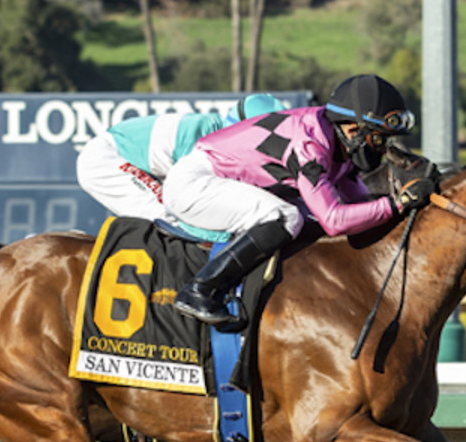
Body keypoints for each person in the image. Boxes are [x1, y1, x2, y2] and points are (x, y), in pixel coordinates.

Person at [162, 74, 437, 327]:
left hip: (222, 182)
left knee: (303, 217)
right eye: (379, 139)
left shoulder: (340, 145)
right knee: (286, 217)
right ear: (353, 130)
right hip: (194, 185)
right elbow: (335, 221)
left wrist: (402, 207)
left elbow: (360, 208)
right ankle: (200, 290)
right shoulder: (310, 145)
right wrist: (398, 203)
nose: (384, 149)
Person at [75, 94, 288, 241]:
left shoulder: (222, 131)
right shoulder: (203, 135)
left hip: (135, 158)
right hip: (106, 160)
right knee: (172, 219)